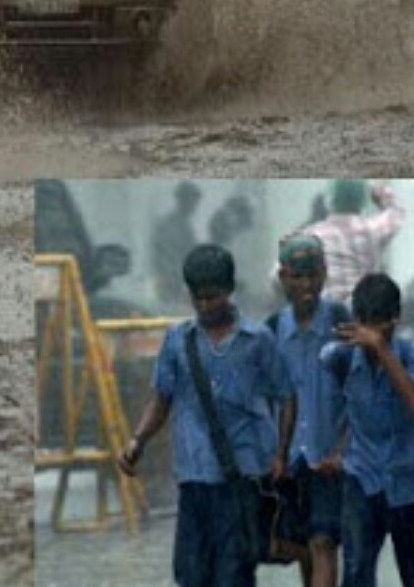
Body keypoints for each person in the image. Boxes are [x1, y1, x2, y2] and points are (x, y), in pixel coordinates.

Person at [118, 243, 296, 587]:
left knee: (233, 574)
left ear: (229, 291)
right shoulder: (177, 341)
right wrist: (137, 440)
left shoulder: (257, 340)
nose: (204, 306)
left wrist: (280, 454)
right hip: (194, 478)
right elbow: (161, 400)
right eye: (197, 298)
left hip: (243, 478)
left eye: (212, 297)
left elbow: (286, 396)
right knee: (191, 574)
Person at [320, 273, 414, 587]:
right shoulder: (338, 357)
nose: (370, 334)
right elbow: (330, 410)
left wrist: (383, 351)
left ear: (396, 320)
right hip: (364, 477)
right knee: (356, 574)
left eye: (380, 325)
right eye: (365, 324)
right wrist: (329, 452)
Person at [270, 233, 351, 587]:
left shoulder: (341, 324)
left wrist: (342, 450)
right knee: (296, 545)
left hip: (329, 459)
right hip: (287, 462)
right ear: (283, 277)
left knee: (323, 541)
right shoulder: (270, 332)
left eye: (312, 275)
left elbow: (358, 394)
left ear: (325, 273)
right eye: (297, 276)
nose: (306, 285)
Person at [304, 181, 405, 303]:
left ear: (329, 200)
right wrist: (376, 188)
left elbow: (278, 278)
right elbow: (396, 212)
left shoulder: (310, 237)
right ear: (362, 199)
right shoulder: (372, 231)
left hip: (325, 315)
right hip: (364, 313)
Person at [151, 181, 203, 313]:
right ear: (182, 200)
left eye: (196, 202)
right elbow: (165, 257)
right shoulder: (168, 226)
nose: (194, 206)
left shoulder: (186, 226)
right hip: (171, 285)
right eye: (192, 200)